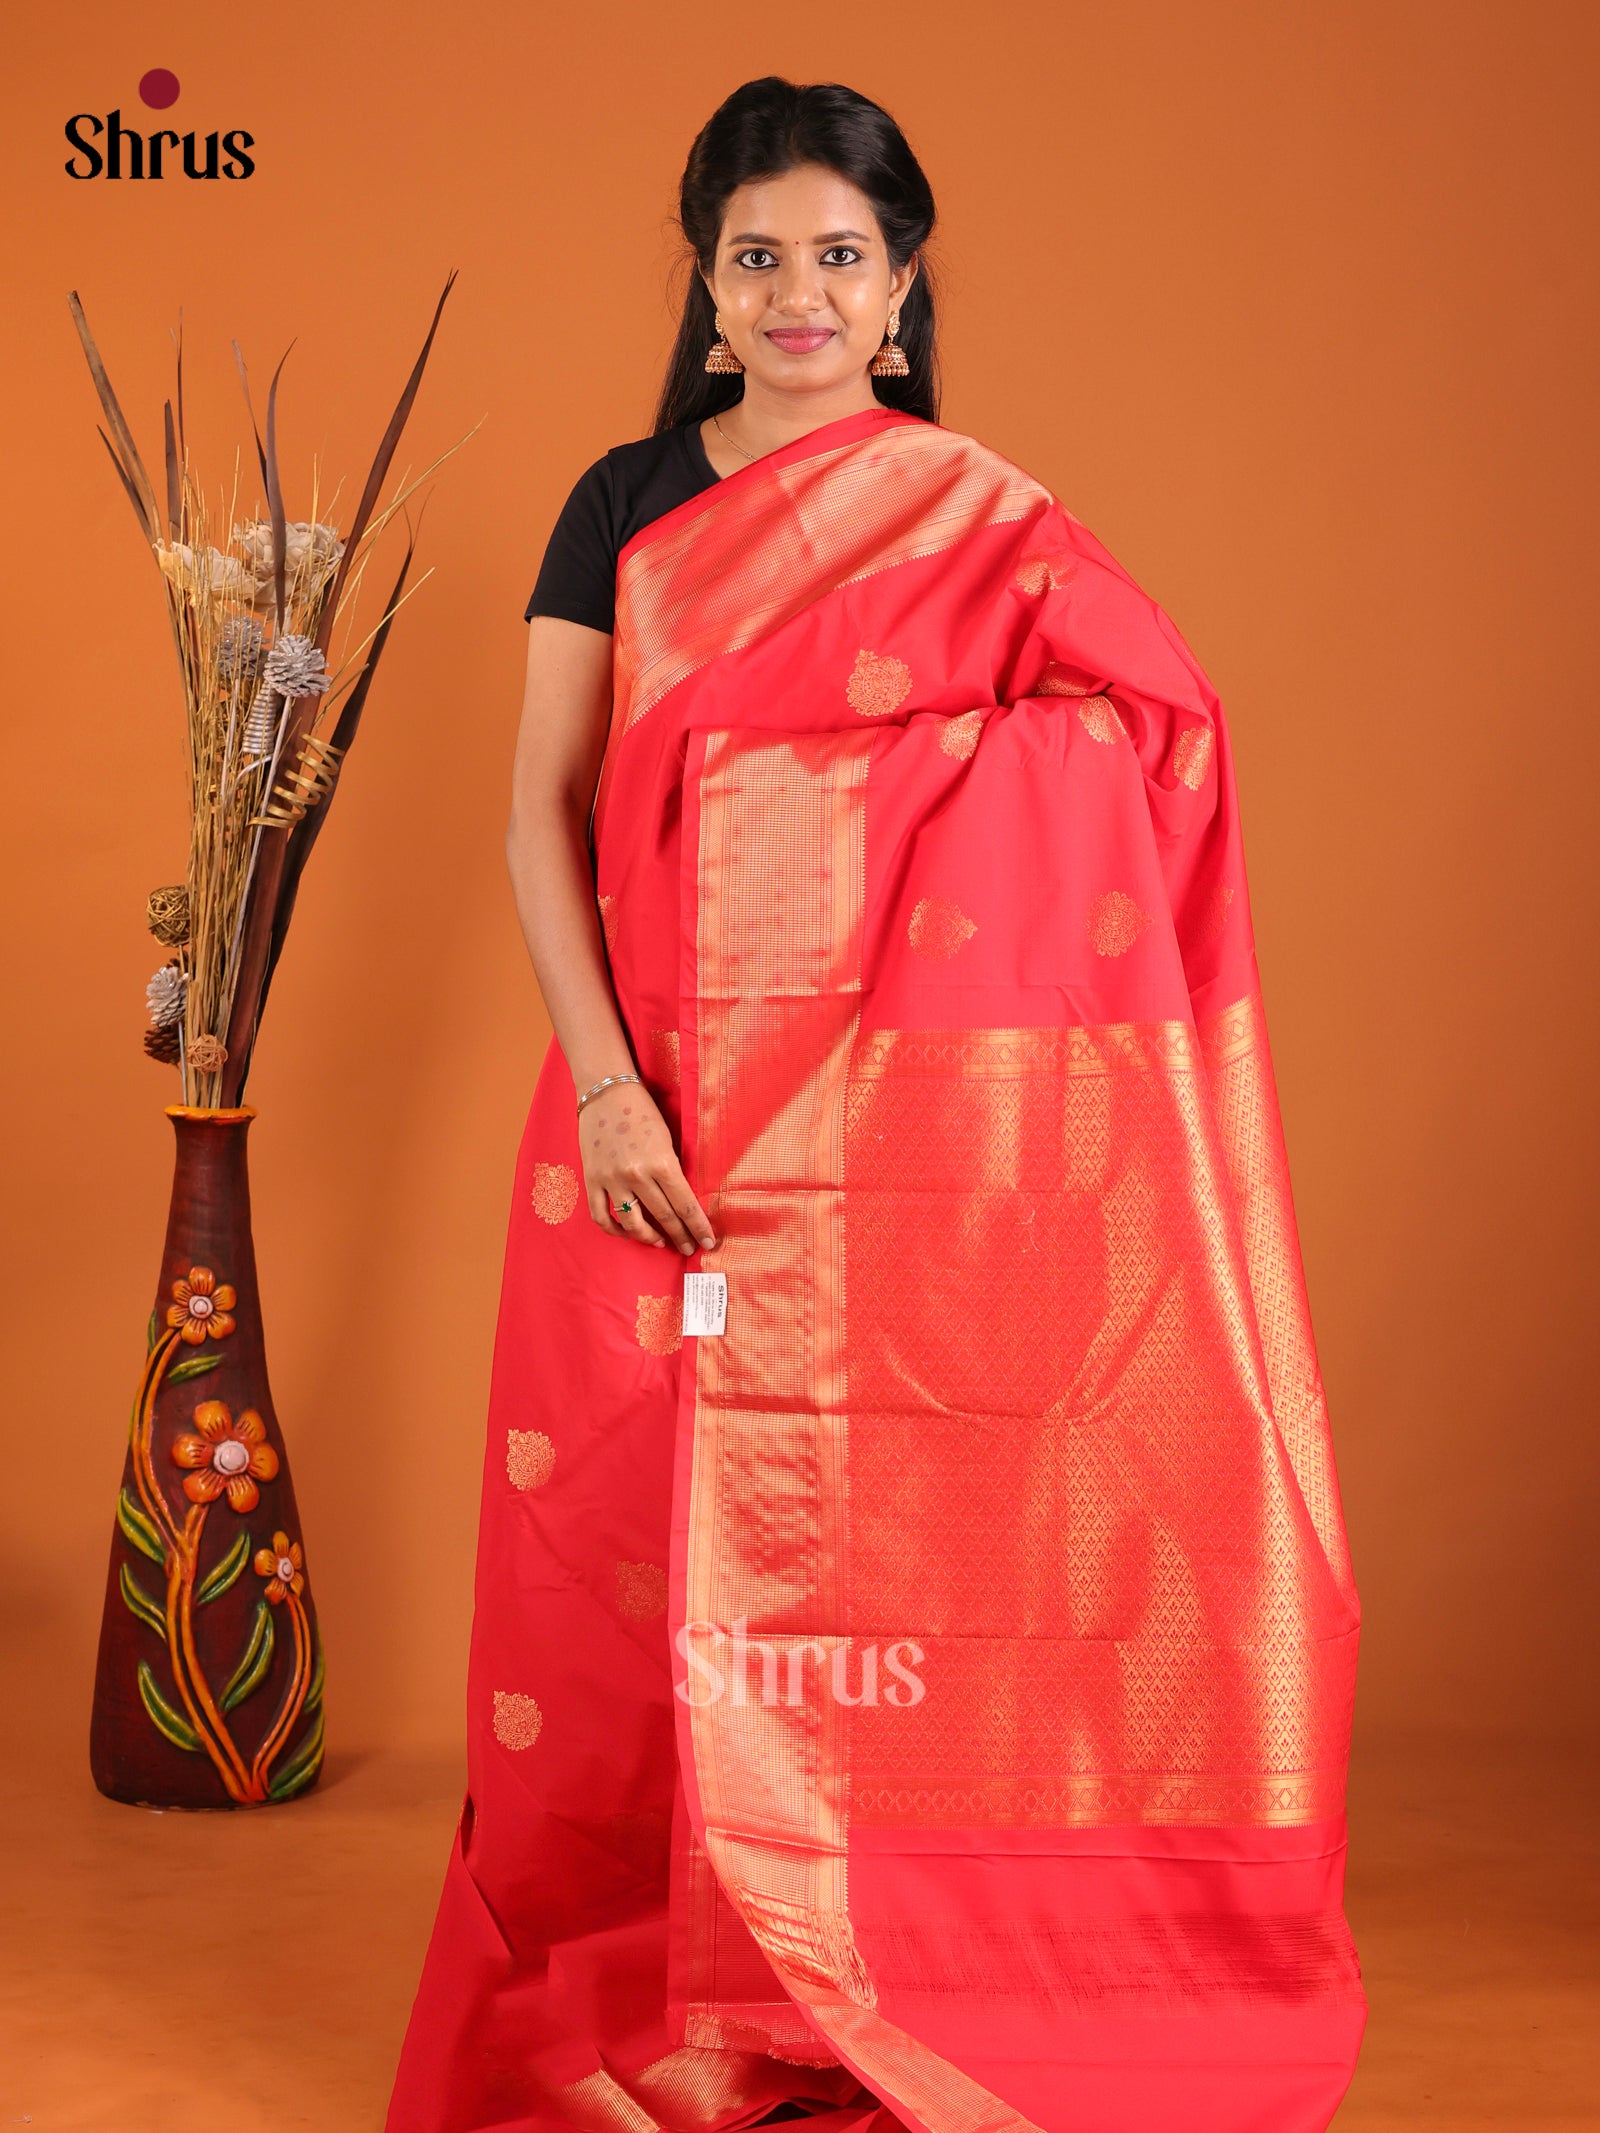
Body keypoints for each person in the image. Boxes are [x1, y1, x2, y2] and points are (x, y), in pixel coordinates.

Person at [387, 75, 1365, 2133]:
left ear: (902, 287)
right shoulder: (624, 503)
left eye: (840, 255)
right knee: (621, 1561)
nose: (799, 293)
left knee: (891, 1572)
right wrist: (609, 1088)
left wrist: (840, 792)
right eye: (757, 256)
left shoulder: (975, 521)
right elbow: (538, 812)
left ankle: (856, 1973)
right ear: (705, 284)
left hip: (894, 1158)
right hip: (651, 1119)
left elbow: (1151, 740)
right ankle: (679, 1983)